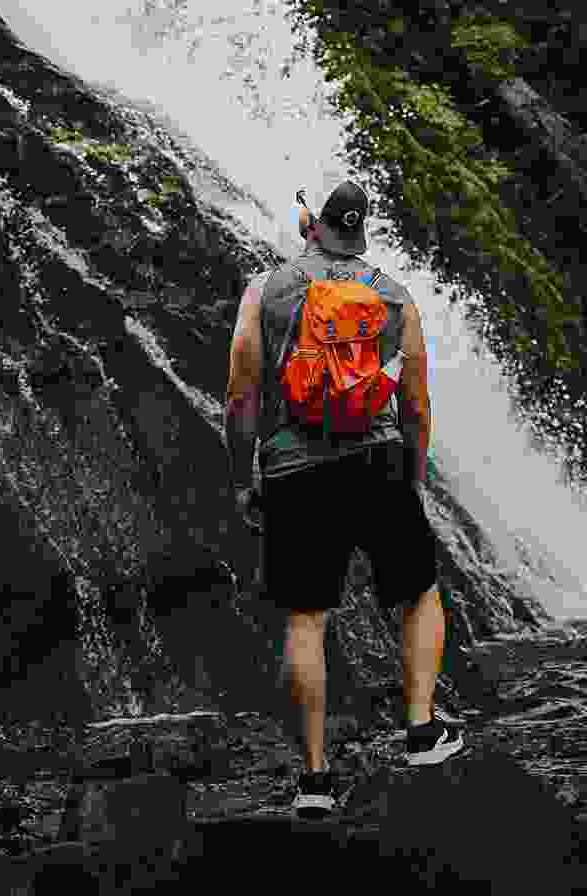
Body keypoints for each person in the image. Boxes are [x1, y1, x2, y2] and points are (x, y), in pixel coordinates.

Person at [223, 179, 465, 819]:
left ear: (313, 228)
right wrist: (412, 475)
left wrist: (242, 476)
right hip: (378, 460)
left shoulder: (265, 291)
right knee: (418, 594)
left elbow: (240, 393)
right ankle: (422, 732)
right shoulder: (392, 294)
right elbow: (416, 402)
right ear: (360, 233)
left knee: (306, 619)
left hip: (294, 468)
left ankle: (314, 778)